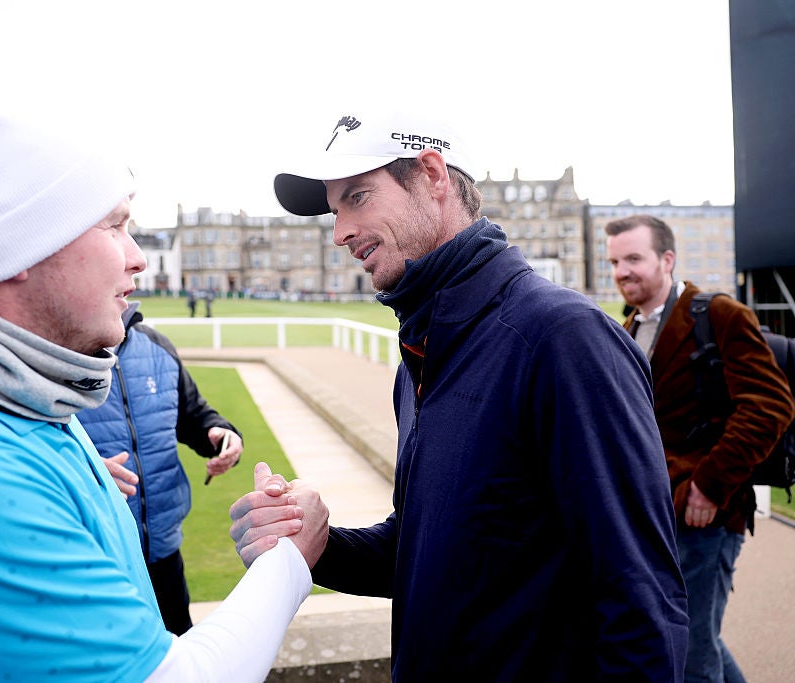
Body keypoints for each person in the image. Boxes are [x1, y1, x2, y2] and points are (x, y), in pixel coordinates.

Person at [0, 93, 326, 683]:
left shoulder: (19, 398)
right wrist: (288, 560)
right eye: (115, 226)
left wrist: (75, 491)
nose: (139, 260)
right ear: (18, 247)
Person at [229, 112, 689, 681]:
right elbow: (428, 547)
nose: (340, 231)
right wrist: (316, 547)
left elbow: (641, 596)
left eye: (358, 198)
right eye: (335, 209)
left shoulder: (563, 337)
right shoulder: (424, 350)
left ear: (432, 174)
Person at [605, 214, 794, 682]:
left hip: (705, 515)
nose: (621, 271)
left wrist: (708, 487)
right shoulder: (629, 326)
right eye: (614, 261)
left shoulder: (720, 314)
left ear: (667, 259)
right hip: (655, 516)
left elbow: (771, 404)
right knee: (691, 636)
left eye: (633, 258)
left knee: (688, 652)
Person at [77, 300, 244, 635]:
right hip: (97, 556)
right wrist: (82, 472)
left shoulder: (157, 345)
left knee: (178, 647)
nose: (134, 266)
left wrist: (221, 435)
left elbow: (193, 415)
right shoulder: (53, 353)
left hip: (165, 549)